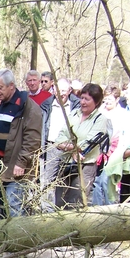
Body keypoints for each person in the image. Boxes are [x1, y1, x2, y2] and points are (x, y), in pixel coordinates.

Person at [0, 68, 43, 220]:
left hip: (16, 168)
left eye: (0, 87)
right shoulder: (2, 104)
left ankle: (18, 242)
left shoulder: (27, 106)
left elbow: (32, 139)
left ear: (11, 86)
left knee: (15, 208)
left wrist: (21, 162)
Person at [54, 83, 109, 208]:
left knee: (75, 202)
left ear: (96, 101)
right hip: (65, 163)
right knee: (59, 201)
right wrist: (71, 148)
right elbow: (60, 136)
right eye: (82, 98)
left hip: (85, 166)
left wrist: (69, 146)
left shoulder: (100, 119)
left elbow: (88, 143)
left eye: (87, 99)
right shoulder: (74, 114)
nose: (83, 102)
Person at [39, 78, 81, 211]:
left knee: (68, 180)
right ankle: (47, 211)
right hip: (52, 146)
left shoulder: (77, 106)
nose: (61, 93)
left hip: (70, 147)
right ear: (53, 90)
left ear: (69, 91)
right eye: (58, 90)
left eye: (64, 90)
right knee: (47, 181)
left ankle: (65, 209)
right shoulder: (46, 105)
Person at [91, 85, 126, 205]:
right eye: (105, 100)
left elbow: (122, 134)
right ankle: (96, 208)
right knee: (96, 182)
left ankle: (109, 208)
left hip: (114, 152)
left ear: (117, 99)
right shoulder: (100, 112)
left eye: (109, 100)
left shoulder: (122, 114)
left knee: (106, 182)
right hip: (99, 151)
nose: (107, 103)